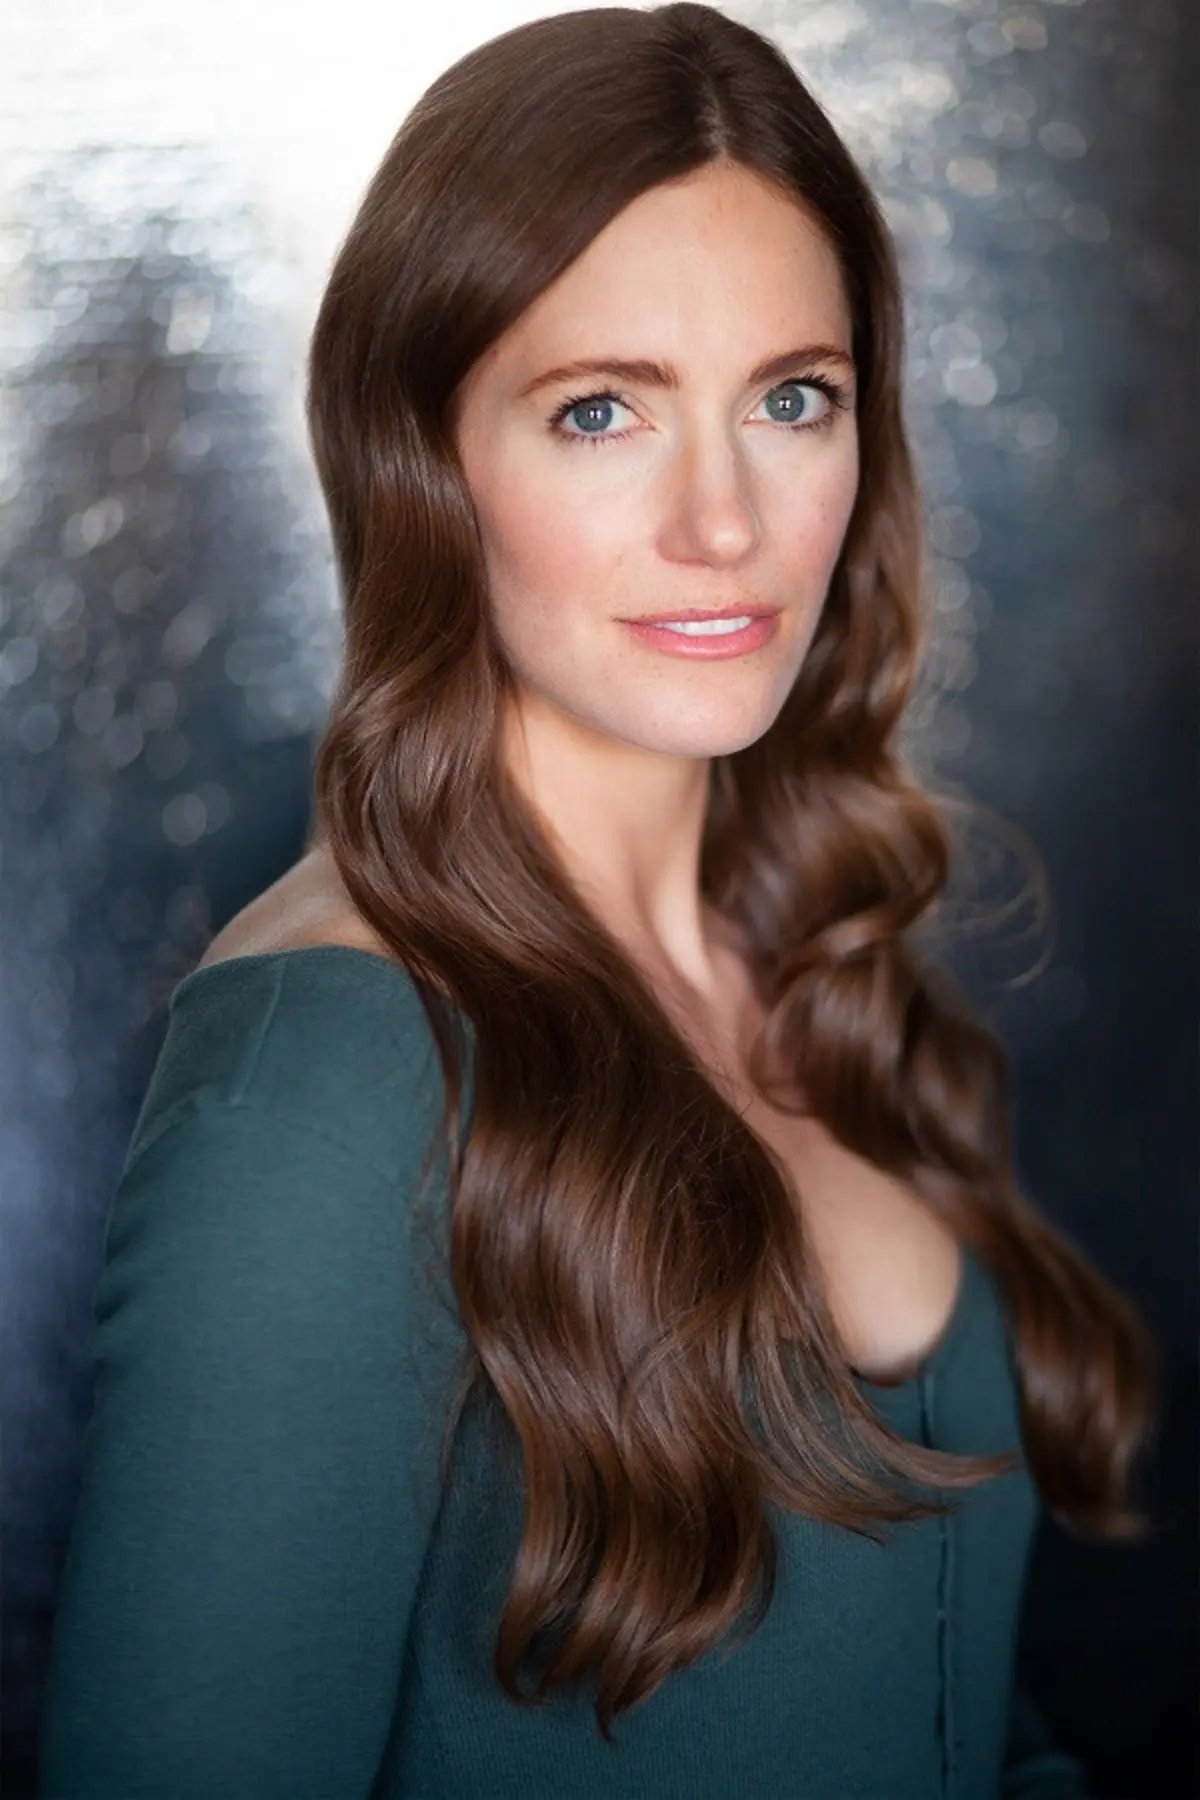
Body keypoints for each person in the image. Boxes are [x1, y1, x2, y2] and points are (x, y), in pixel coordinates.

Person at [37, 5, 1159, 1796]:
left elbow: (944, 1702)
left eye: (791, 399)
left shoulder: (816, 971)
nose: (723, 521)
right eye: (601, 411)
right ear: (422, 457)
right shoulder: (327, 1077)